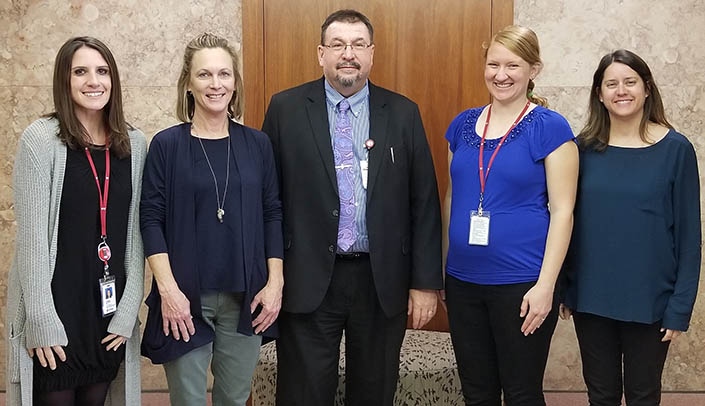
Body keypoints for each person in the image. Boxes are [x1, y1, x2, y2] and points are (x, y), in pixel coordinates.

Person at [261, 9, 443, 406]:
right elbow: (267, 199)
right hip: (307, 277)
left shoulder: (402, 113)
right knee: (303, 394)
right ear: (320, 53)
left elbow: (424, 202)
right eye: (339, 44)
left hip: (381, 282)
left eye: (358, 44)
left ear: (372, 54)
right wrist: (271, 275)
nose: (349, 54)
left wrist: (425, 283)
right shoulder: (286, 109)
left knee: (374, 392)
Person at [140, 32, 283, 406]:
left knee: (234, 401)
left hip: (246, 299)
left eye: (224, 74)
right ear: (188, 83)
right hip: (184, 300)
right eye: (204, 75)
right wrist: (168, 292)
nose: (215, 84)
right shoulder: (167, 146)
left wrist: (275, 283)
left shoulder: (257, 145)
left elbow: (272, 213)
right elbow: (150, 219)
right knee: (188, 401)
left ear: (235, 82)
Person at [5, 36, 146, 405]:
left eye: (102, 71)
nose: (93, 81)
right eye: (80, 71)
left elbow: (136, 234)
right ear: (64, 81)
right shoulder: (41, 139)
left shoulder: (134, 143)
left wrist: (129, 309)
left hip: (106, 314)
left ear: (113, 79)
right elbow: (33, 240)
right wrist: (39, 318)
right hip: (56, 313)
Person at [442, 25, 578, 405]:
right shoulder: (462, 125)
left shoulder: (551, 128)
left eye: (513, 65)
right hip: (463, 283)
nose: (500, 75)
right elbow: (453, 197)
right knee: (477, 392)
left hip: (523, 285)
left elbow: (564, 211)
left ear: (533, 70)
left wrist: (547, 286)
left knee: (521, 393)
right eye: (493, 64)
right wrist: (442, 269)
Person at [560, 49, 701, 406]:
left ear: (647, 88)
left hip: (651, 301)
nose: (621, 91)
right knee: (601, 395)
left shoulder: (676, 149)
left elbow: (689, 238)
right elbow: (565, 220)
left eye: (630, 82)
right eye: (611, 84)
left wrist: (680, 307)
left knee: (642, 396)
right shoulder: (582, 149)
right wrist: (565, 287)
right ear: (599, 93)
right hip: (591, 298)